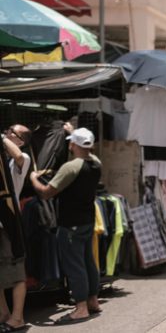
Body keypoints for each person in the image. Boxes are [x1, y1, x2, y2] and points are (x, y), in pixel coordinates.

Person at [29, 125, 102, 325]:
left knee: (74, 264)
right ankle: (93, 300)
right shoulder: (96, 163)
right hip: (87, 220)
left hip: (71, 224)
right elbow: (88, 150)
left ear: (73, 145)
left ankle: (80, 308)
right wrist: (74, 131)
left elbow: (45, 192)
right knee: (88, 262)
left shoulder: (71, 167)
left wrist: (34, 178)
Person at [0, 125, 30, 331]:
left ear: (21, 141)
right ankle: (3, 313)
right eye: (8, 130)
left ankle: (18, 317)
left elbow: (18, 156)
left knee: (17, 270)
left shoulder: (22, 159)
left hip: (8, 222)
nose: (9, 133)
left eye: (14, 133)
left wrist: (1, 137)